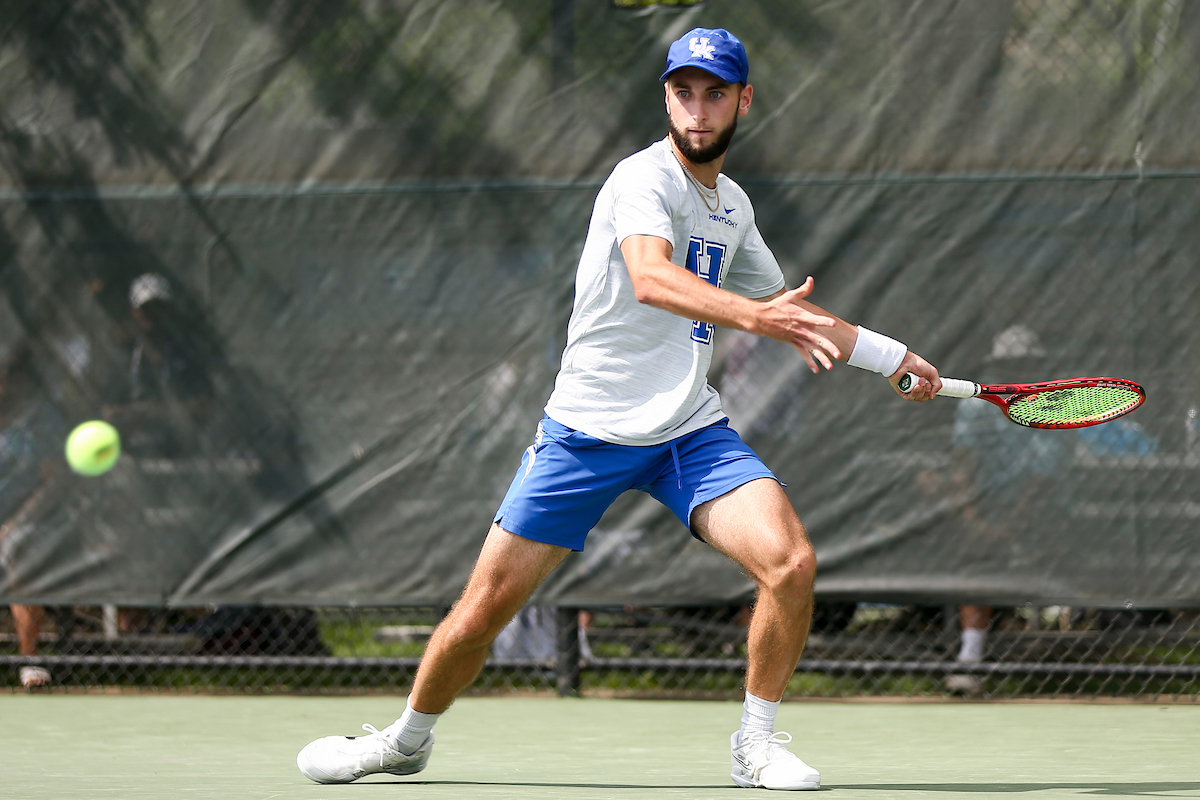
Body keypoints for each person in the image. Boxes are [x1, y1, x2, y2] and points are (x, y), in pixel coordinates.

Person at [296, 28, 942, 791]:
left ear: (743, 100)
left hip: (689, 434)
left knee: (790, 563)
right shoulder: (643, 179)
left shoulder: (732, 206)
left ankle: (756, 745)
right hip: (585, 434)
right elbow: (651, 278)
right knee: (481, 615)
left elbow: (790, 312)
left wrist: (891, 354)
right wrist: (753, 317)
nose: (696, 110)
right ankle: (404, 741)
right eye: (682, 92)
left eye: (713, 93)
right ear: (666, 97)